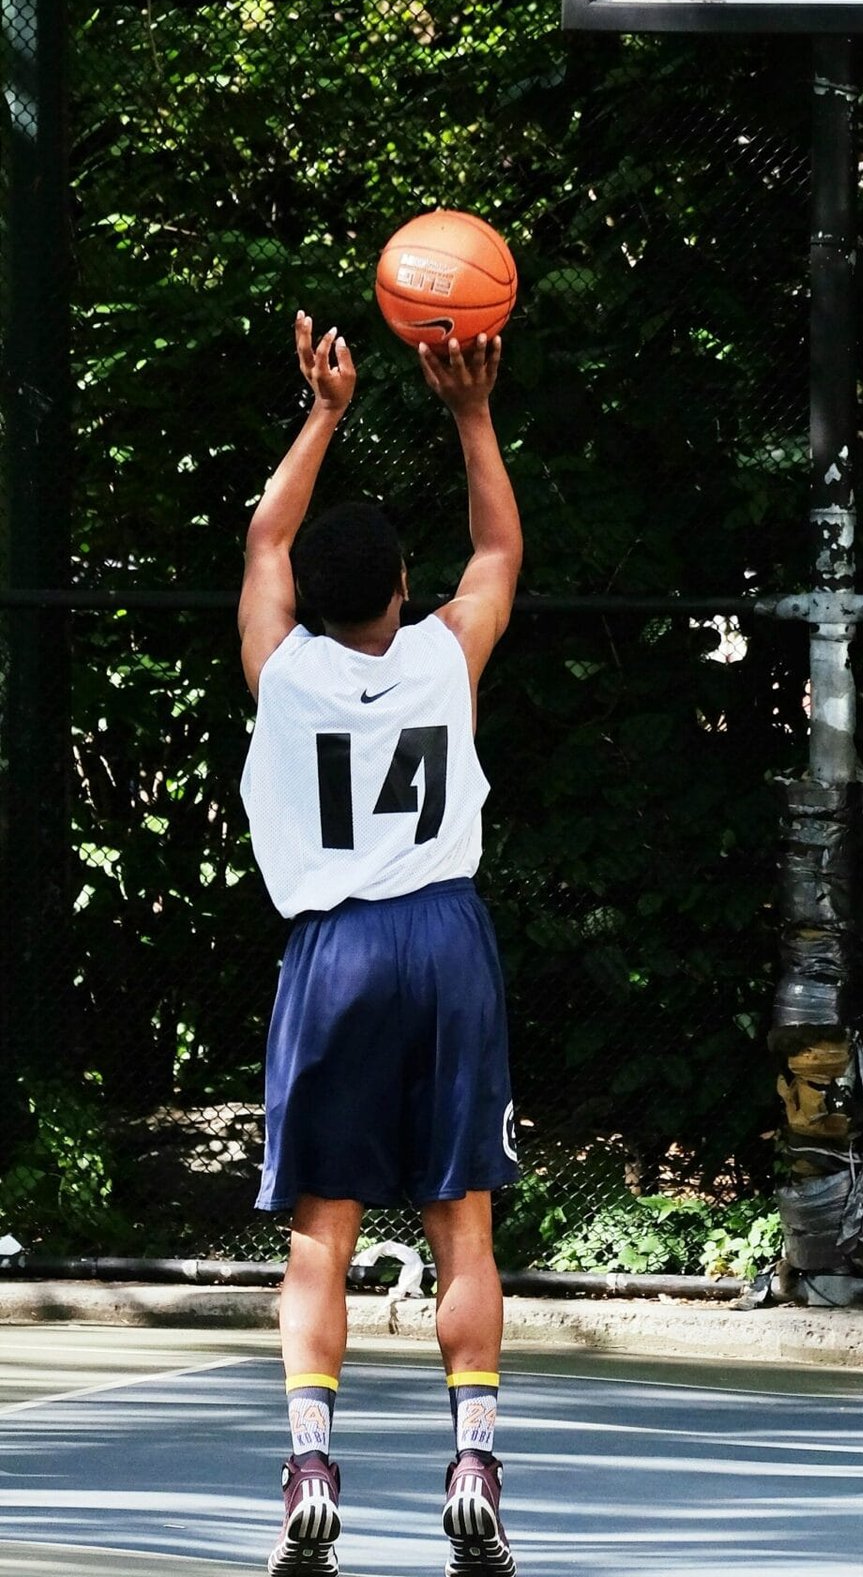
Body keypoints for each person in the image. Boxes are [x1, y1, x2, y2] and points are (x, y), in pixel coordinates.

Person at [238, 313, 523, 1576]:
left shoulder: (282, 671)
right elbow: (500, 546)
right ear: (404, 591)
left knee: (323, 1229)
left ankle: (310, 1464)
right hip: (445, 940)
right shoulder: (442, 658)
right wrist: (467, 407)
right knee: (463, 1222)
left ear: (308, 595)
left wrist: (325, 407)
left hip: (337, 953)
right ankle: (472, 1461)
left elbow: (261, 537)